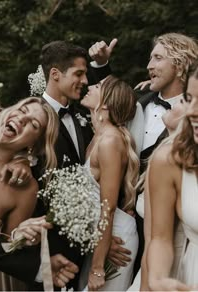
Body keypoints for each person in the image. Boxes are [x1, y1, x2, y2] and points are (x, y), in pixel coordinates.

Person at [88, 32, 198, 276]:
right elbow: (106, 97)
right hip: (118, 224)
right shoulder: (138, 99)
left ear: (180, 64)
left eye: (158, 58)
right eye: (150, 58)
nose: (149, 66)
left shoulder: (192, 116)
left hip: (169, 230)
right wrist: (102, 65)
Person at [32, 40, 130, 290]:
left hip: (92, 245)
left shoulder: (84, 115)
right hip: (53, 251)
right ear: (55, 74)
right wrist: (94, 240)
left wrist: (101, 241)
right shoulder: (32, 120)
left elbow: (113, 100)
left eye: (86, 74)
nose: (86, 81)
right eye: (79, 73)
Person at [0, 103, 79, 290]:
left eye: (33, 124)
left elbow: (11, 246)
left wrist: (21, 235)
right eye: (22, 110)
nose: (23, 119)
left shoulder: (25, 188)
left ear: (33, 145)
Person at [79, 75, 139, 291]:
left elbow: (108, 207)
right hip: (101, 238)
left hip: (117, 239)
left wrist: (97, 267)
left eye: (97, 86)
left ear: (105, 102)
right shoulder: (98, 137)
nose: (90, 86)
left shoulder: (110, 140)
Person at [147, 59, 198, 290]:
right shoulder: (169, 159)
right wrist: (158, 279)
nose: (193, 112)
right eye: (189, 99)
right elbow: (160, 237)